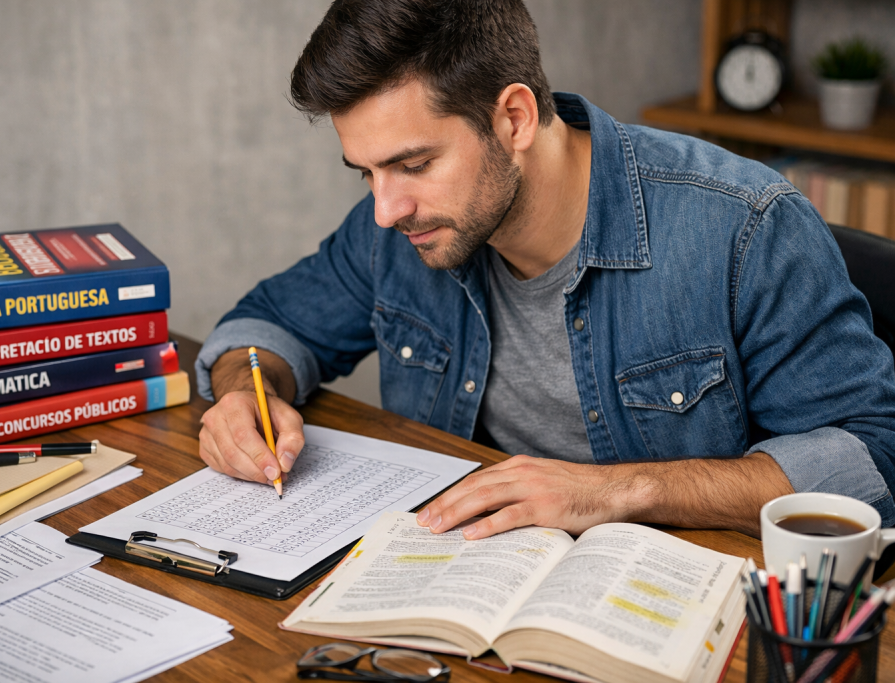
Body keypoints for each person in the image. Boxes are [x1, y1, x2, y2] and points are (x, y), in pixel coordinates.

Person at [195, 0, 895, 539]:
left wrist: (615, 490)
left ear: (515, 119)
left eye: (413, 164)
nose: (385, 209)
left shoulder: (744, 225)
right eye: (366, 173)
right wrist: (240, 392)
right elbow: (269, 325)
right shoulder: (401, 226)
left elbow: (868, 458)